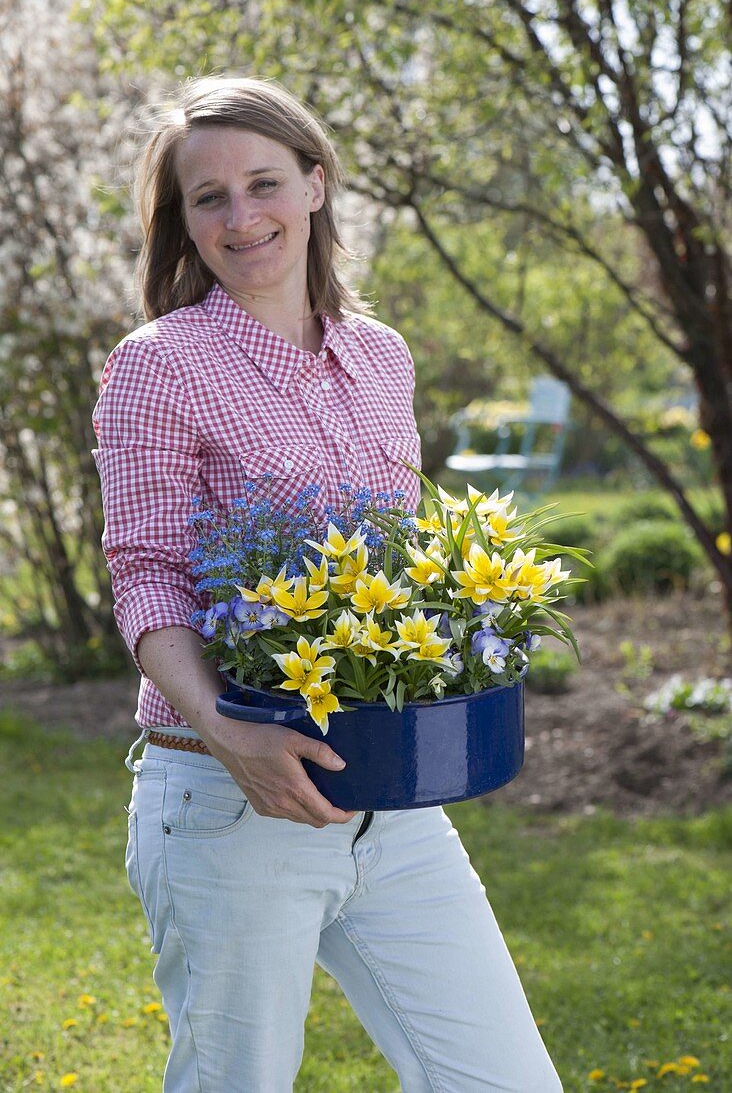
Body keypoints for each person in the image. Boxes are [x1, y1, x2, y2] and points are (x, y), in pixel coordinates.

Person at [92, 75, 563, 1093]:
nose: (240, 215)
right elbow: (146, 576)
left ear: (315, 184)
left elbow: (395, 569)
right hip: (226, 799)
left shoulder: (380, 355)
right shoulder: (158, 365)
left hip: (390, 801)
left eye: (263, 181)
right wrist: (231, 730)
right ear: (181, 220)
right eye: (206, 197)